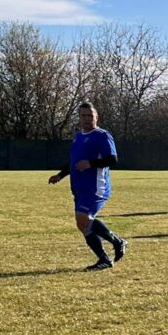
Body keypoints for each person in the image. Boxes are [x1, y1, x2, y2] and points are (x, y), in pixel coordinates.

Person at [48, 102, 127, 271]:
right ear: (79, 118)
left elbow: (112, 159)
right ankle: (104, 259)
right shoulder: (78, 137)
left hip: (96, 186)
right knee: (82, 224)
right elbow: (74, 162)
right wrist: (60, 176)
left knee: (83, 217)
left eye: (90, 115)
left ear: (96, 117)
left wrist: (90, 163)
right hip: (79, 187)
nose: (86, 119)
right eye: (83, 115)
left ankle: (117, 241)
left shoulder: (103, 135)